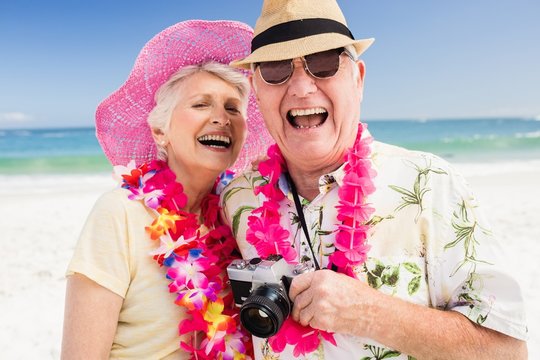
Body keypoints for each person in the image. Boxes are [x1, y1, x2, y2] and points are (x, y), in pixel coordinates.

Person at [221, 0, 528, 359]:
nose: (302, 87)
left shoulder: (430, 184)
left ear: (359, 79)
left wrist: (370, 313)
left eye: (324, 62)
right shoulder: (237, 199)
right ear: (256, 91)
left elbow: (508, 351)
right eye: (276, 68)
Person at [61, 20, 272, 359]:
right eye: (201, 104)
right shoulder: (119, 214)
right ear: (161, 132)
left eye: (233, 108)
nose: (222, 117)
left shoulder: (239, 215)